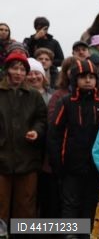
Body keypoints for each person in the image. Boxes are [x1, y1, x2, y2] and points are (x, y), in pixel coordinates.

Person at [49, 58, 99, 225]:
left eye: (92, 76)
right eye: (83, 77)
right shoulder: (66, 102)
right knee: (70, 205)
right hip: (71, 166)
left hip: (95, 166)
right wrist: (58, 165)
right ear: (75, 80)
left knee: (91, 204)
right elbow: (54, 135)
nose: (88, 80)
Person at [0, 52, 47, 224]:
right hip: (1, 161)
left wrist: (36, 131)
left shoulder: (34, 95)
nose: (19, 72)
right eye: (15, 68)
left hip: (27, 160)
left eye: (22, 69)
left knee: (26, 209)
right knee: (1, 208)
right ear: (7, 70)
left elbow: (42, 119)